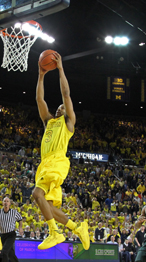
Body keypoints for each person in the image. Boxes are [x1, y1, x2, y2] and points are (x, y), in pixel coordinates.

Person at [32, 52, 89, 251]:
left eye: (63, 108)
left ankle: (55, 233)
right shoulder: (49, 122)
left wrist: (61, 69)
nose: (60, 108)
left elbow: (66, 94)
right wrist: (41, 75)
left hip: (57, 162)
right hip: (45, 163)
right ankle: (77, 228)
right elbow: (40, 99)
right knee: (48, 205)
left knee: (36, 194)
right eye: (58, 107)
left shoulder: (68, 125)